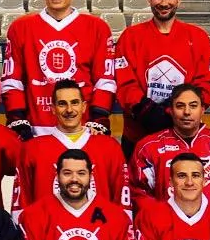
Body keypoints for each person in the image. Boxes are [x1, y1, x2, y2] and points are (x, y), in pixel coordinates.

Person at [0, 0, 116, 137]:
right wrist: (17, 117)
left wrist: (98, 117)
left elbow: (105, 79)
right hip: (35, 128)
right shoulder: (21, 27)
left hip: (84, 129)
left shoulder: (97, 28)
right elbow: (12, 79)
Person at [113, 0, 210, 155]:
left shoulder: (198, 38)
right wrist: (145, 110)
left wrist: (176, 111)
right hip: (138, 136)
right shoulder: (130, 37)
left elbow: (207, 83)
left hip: (184, 136)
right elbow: (124, 82)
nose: (163, 3)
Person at [18, 78, 129, 215]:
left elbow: (122, 203)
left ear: (84, 107)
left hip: (100, 231)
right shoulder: (32, 149)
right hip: (46, 233)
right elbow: (22, 204)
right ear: (53, 109)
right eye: (62, 104)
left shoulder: (109, 147)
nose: (69, 110)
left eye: (75, 103)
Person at [130, 83, 210, 212]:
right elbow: (139, 194)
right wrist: (162, 222)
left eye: (193, 106)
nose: (187, 112)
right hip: (165, 229)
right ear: (170, 111)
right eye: (180, 106)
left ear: (202, 109)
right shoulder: (148, 147)